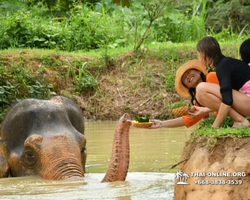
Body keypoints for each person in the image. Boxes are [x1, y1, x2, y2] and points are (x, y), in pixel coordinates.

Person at [194, 36, 250, 128]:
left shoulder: (223, 66)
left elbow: (227, 100)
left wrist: (214, 127)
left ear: (204, 55)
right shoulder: (226, 63)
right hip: (246, 102)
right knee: (201, 93)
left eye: (198, 55)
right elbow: (224, 99)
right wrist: (205, 110)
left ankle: (240, 121)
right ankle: (240, 120)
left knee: (201, 88)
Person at [149, 59, 219, 129]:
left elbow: (226, 98)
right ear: (187, 86)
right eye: (184, 78)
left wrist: (207, 111)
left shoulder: (211, 76)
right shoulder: (200, 96)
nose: (187, 76)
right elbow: (189, 118)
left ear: (198, 71)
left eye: (188, 72)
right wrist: (161, 123)